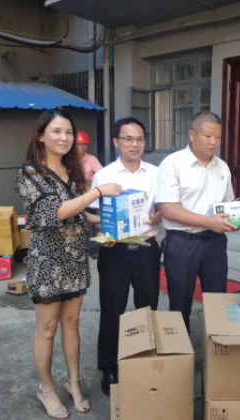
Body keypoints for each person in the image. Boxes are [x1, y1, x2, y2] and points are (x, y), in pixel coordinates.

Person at [17, 109, 121, 419]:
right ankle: (46, 388)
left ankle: (72, 381)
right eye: (57, 131)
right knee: (47, 328)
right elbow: (56, 212)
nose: (65, 138)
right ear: (41, 135)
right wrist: (98, 192)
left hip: (75, 258)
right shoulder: (30, 172)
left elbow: (77, 213)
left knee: (72, 323)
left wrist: (105, 223)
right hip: (47, 261)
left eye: (69, 132)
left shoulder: (73, 169)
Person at [89, 117, 162, 395]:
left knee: (148, 308)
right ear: (116, 142)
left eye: (140, 139)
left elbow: (163, 208)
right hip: (115, 253)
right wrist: (102, 230)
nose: (135, 144)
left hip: (147, 250)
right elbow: (95, 213)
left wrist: (156, 217)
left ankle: (145, 360)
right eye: (129, 138)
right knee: (112, 310)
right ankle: (109, 367)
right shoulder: (104, 175)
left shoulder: (156, 173)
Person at [156, 111, 237, 331]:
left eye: (218, 137)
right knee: (180, 300)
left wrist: (238, 218)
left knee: (217, 299)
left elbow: (228, 203)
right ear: (192, 135)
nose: (214, 142)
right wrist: (208, 221)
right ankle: (179, 347)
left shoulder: (222, 167)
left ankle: (215, 346)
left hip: (215, 242)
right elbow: (168, 209)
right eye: (208, 136)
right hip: (183, 242)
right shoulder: (172, 164)